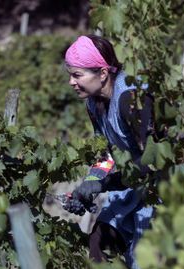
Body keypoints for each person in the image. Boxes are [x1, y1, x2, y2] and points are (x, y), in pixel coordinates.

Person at [63, 35, 154, 269]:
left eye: (77, 75)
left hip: (158, 186)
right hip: (131, 182)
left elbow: (151, 162)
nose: (71, 82)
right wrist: (88, 186)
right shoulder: (93, 104)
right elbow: (105, 156)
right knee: (97, 241)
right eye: (70, 75)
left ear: (102, 73)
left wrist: (105, 185)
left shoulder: (131, 100)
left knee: (142, 260)